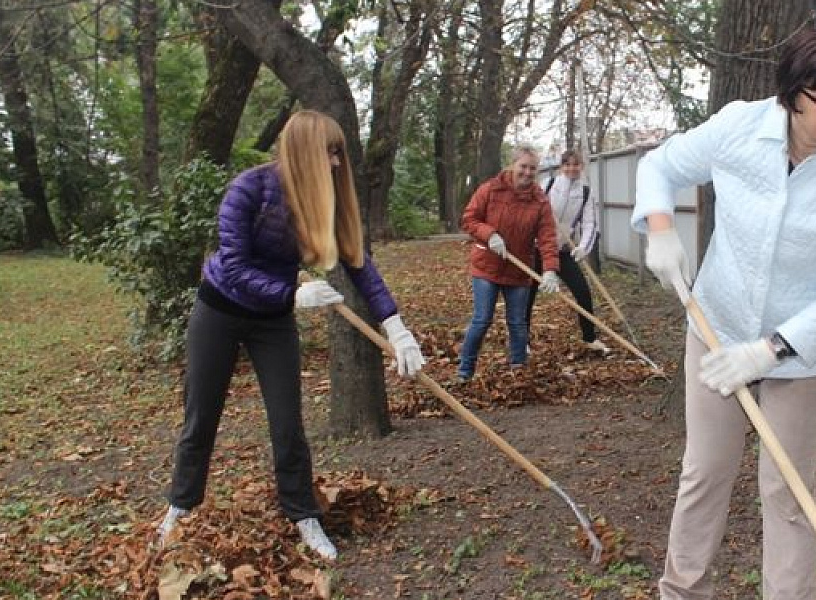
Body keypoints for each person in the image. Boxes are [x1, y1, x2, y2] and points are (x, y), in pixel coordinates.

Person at [631, 27, 816, 600]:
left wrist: (773, 349)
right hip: (716, 327)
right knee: (704, 473)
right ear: (792, 97)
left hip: (805, 355)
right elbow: (659, 165)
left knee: (788, 492)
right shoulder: (739, 129)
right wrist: (661, 228)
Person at [156, 110, 426, 561]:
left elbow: (361, 267)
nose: (338, 163)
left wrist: (397, 328)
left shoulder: (326, 200)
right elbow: (235, 265)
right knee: (201, 416)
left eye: (339, 152)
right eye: (330, 152)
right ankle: (179, 510)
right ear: (303, 152)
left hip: (273, 321)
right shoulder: (249, 189)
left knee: (288, 422)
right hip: (219, 310)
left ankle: (303, 514)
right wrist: (293, 293)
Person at [457, 145, 561, 381]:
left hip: (518, 270)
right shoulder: (491, 189)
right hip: (486, 266)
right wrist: (489, 234)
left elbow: (547, 237)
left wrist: (550, 270)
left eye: (532, 168)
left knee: (517, 322)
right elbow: (469, 219)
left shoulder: (539, 200)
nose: (527, 172)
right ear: (513, 165)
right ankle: (465, 371)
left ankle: (518, 370)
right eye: (523, 166)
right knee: (482, 318)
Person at [525, 149, 609, 354]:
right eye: (567, 165)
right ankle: (522, 341)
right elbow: (528, 210)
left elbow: (590, 224)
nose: (572, 169)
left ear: (581, 166)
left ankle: (590, 338)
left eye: (576, 164)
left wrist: (583, 247)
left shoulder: (586, 193)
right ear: (561, 167)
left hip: (562, 250)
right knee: (527, 295)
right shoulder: (548, 185)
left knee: (583, 292)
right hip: (537, 249)